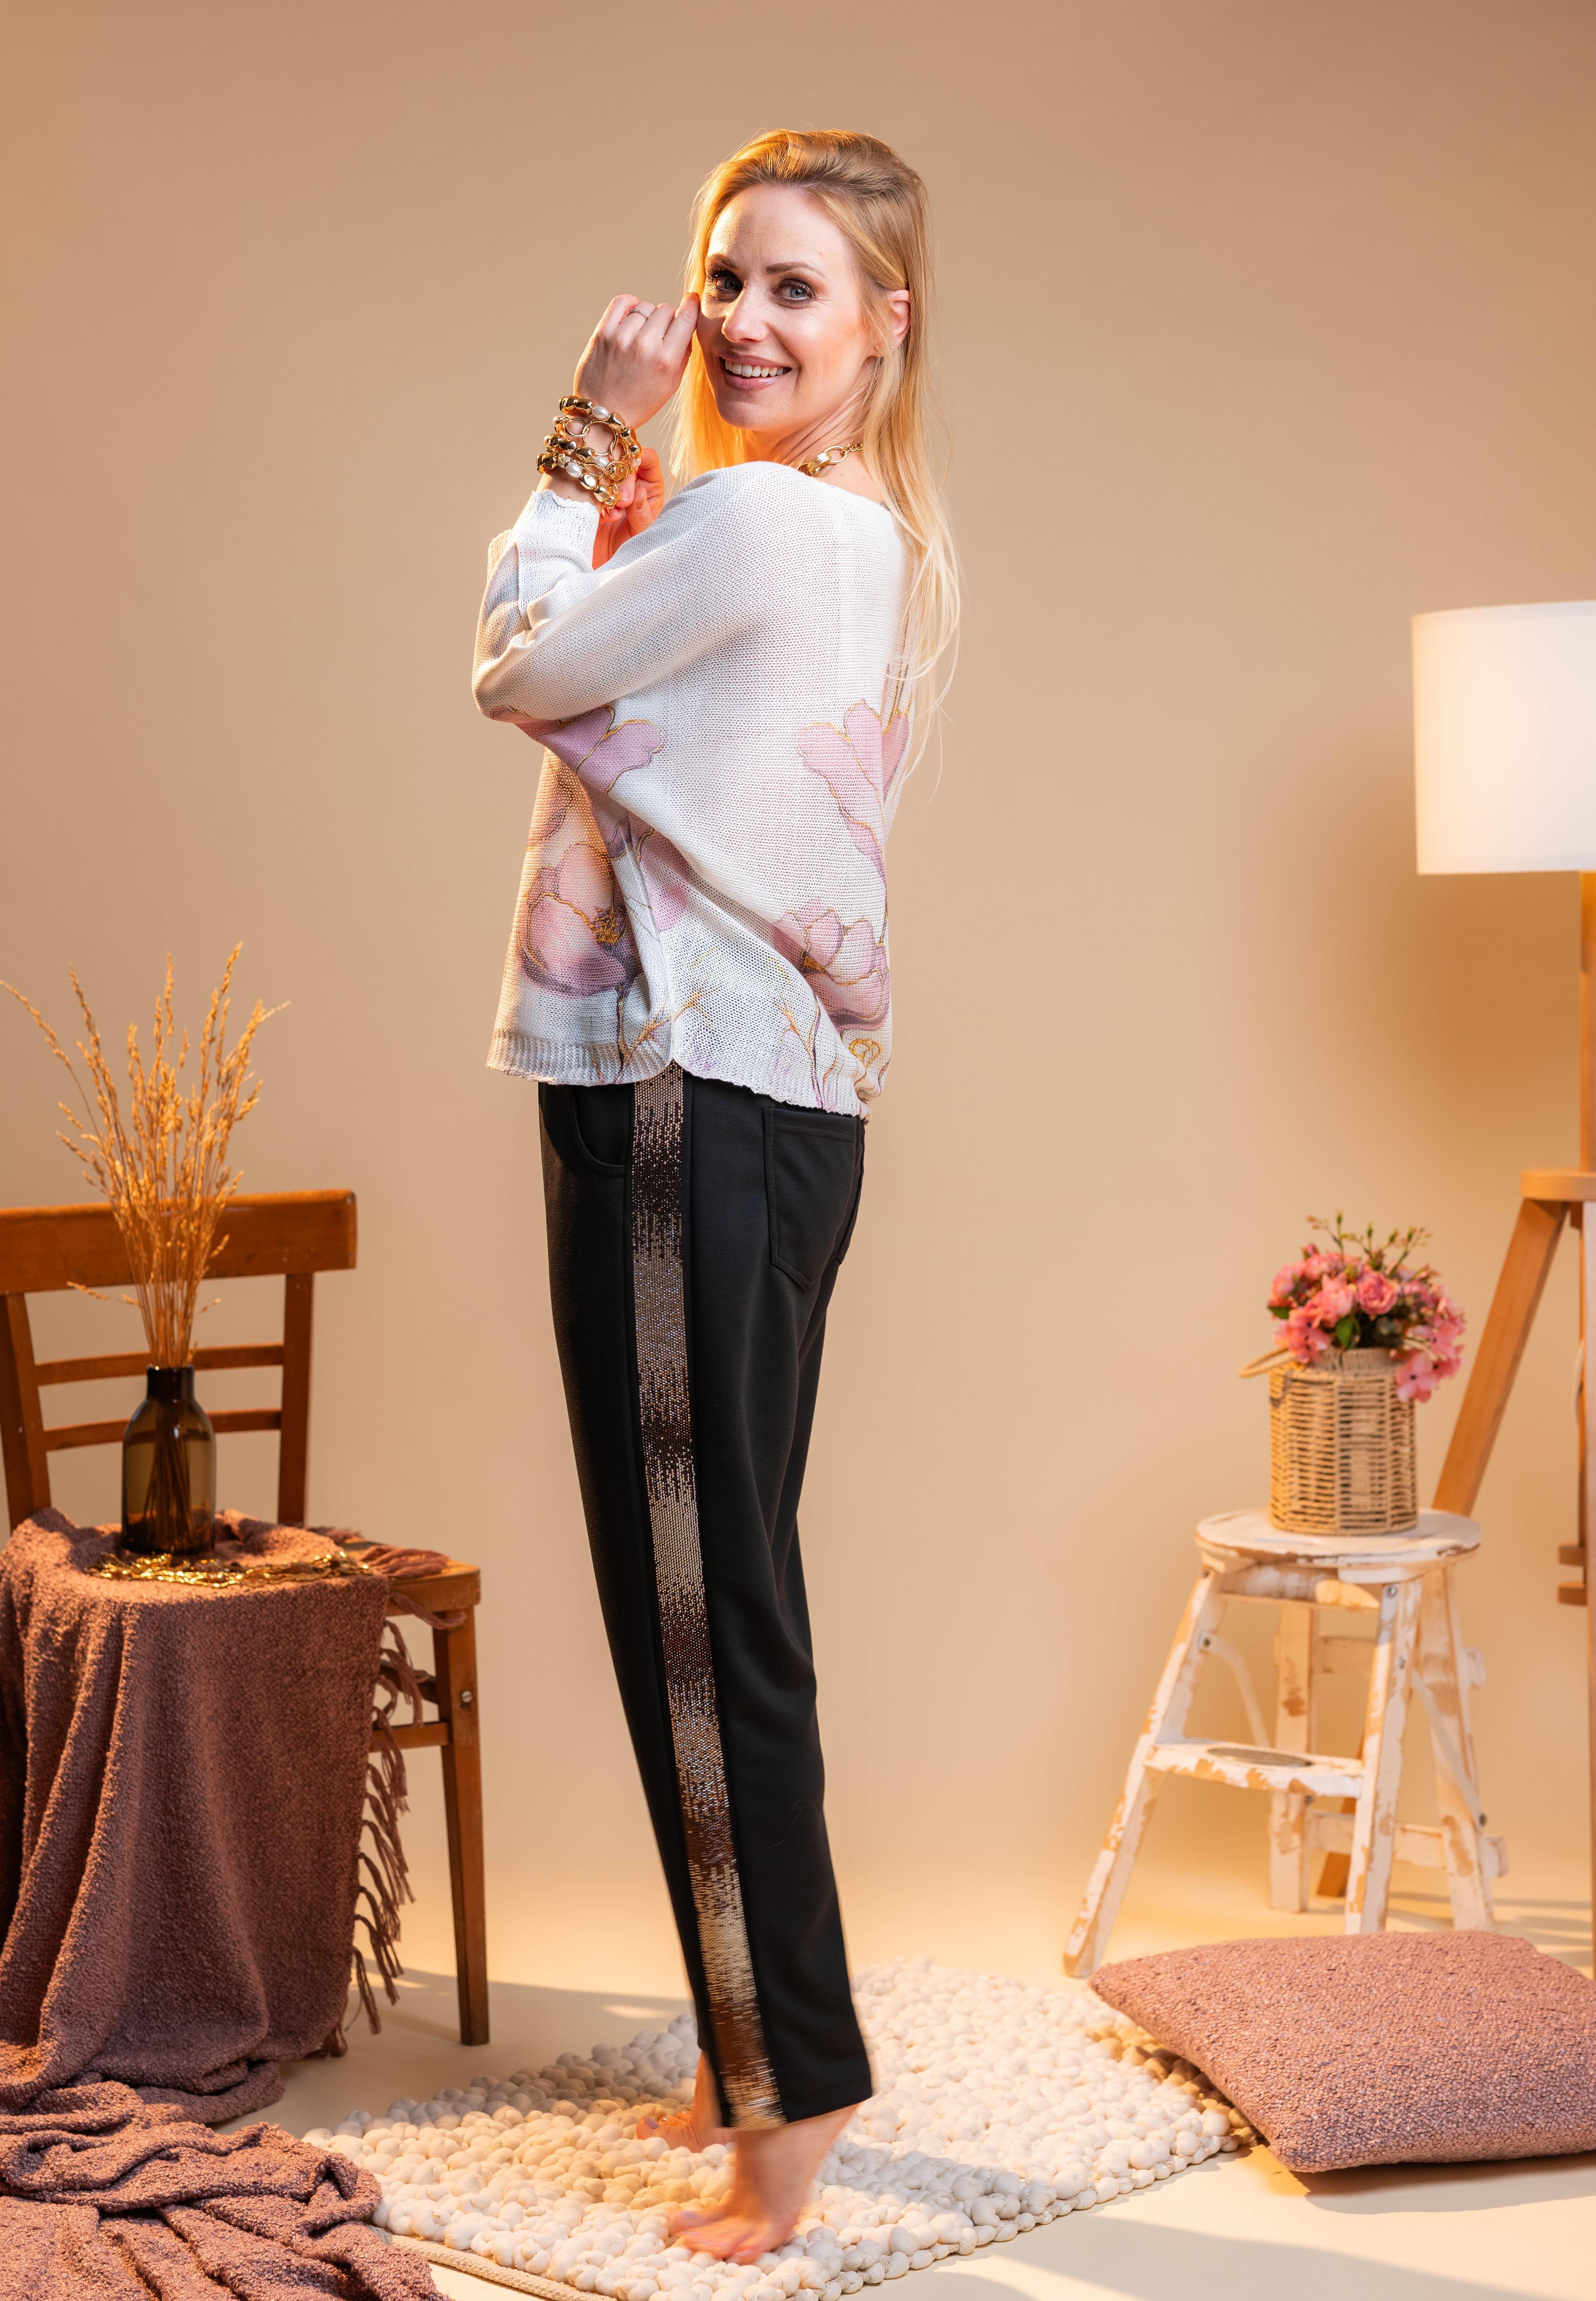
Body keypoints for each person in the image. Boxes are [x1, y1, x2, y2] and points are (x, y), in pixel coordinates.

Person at [473, 126, 957, 2262]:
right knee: (718, 1583)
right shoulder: (856, 533)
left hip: (680, 1083)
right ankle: (744, 2036)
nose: (747, 322)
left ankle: (794, 2083)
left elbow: (517, 663)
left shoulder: (746, 516)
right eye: (726, 277)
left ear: (882, 326)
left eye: (796, 288)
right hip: (780, 1100)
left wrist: (578, 441)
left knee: (695, 1603)